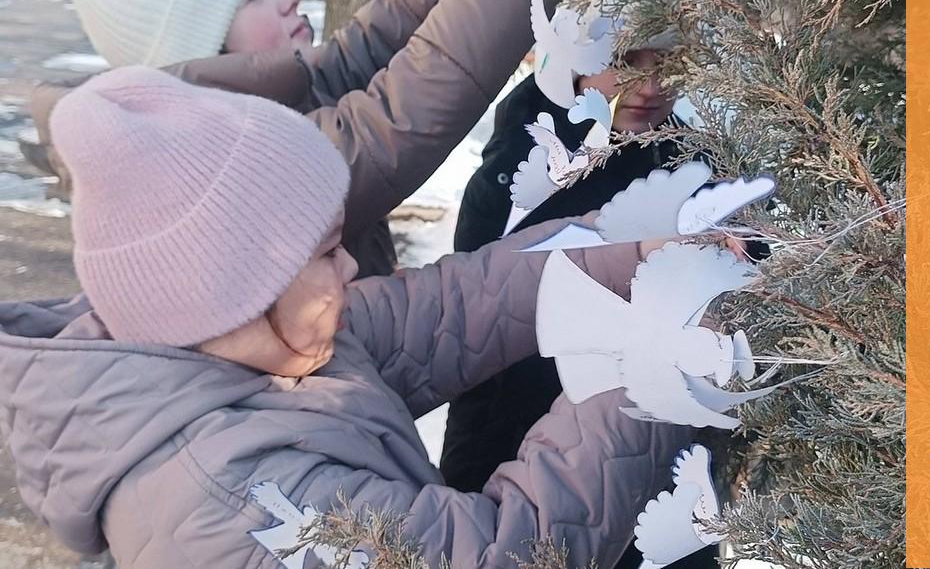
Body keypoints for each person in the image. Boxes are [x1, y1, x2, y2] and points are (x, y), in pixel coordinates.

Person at [0, 67, 691, 568]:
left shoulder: (262, 345)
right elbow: (509, 553)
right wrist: (643, 359)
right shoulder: (231, 499)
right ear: (235, 289)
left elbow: (459, 303)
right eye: (328, 251)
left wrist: (640, 249)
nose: (352, 268)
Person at [27, 0, 569, 278]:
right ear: (195, 42)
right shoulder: (206, 167)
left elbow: (373, 41)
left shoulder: (252, 103)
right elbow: (390, 130)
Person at [441, 0, 726, 568]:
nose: (651, 86)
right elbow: (477, 346)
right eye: (624, 60)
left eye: (669, 59)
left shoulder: (693, 156)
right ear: (575, 51)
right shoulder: (520, 175)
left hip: (666, 479)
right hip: (536, 485)